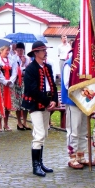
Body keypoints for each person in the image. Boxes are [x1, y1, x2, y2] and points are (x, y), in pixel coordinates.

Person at [22, 41, 58, 177]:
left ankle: (40, 162)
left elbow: (53, 86)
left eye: (45, 50)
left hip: (47, 103)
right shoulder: (30, 69)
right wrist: (48, 101)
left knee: (44, 134)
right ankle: (35, 166)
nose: (45, 52)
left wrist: (54, 100)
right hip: (36, 104)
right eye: (42, 50)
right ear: (36, 53)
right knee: (39, 134)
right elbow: (32, 90)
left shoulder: (48, 67)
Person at [61, 54, 95, 169]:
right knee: (73, 130)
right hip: (73, 101)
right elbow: (68, 84)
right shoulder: (69, 64)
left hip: (85, 102)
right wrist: (83, 92)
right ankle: (72, 157)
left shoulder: (87, 63)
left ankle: (81, 155)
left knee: (83, 130)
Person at [0, 45, 17, 131]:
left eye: (8, 51)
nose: (8, 52)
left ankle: (6, 124)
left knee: (8, 105)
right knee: (0, 103)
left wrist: (11, 80)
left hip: (9, 85)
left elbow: (14, 71)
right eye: (6, 50)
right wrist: (4, 81)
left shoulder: (11, 60)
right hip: (1, 84)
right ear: (1, 51)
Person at [14, 42, 31, 131]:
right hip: (17, 82)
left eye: (22, 50)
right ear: (16, 50)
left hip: (25, 81)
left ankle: (25, 121)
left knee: (25, 102)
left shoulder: (27, 58)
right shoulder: (14, 59)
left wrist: (26, 65)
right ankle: (19, 122)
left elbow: (28, 71)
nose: (20, 52)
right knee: (18, 103)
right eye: (18, 50)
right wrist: (23, 64)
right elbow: (16, 71)